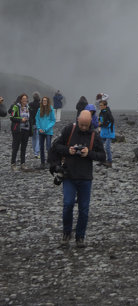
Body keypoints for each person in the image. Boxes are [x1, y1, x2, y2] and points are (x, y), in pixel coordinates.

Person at [54, 109, 105, 247]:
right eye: (81, 124)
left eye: (86, 125)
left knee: (83, 209)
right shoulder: (69, 130)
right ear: (78, 120)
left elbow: (102, 156)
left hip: (85, 177)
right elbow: (56, 146)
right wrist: (68, 150)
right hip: (69, 175)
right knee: (68, 205)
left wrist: (89, 153)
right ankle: (66, 233)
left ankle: (80, 237)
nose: (83, 127)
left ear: (90, 123)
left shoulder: (94, 135)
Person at [9, 93, 31, 170]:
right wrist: (21, 120)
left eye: (26, 99)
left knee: (24, 147)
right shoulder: (15, 107)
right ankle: (13, 164)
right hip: (17, 130)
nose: (25, 100)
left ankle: (23, 164)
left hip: (26, 130)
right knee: (16, 147)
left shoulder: (28, 107)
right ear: (20, 99)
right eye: (23, 99)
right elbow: (11, 117)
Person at [35, 95, 56, 170]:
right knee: (41, 147)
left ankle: (49, 162)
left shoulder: (51, 109)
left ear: (47, 102)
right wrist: (39, 128)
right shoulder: (39, 109)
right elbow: (37, 119)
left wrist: (46, 129)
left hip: (48, 132)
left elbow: (53, 120)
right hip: (41, 131)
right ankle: (42, 163)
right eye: (43, 100)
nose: (44, 102)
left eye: (45, 101)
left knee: (48, 147)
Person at [98, 99, 115, 167]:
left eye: (101, 105)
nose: (100, 106)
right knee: (100, 147)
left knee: (107, 147)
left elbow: (111, 121)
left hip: (109, 132)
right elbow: (100, 121)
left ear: (105, 106)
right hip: (103, 132)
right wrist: (99, 125)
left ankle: (109, 162)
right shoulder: (101, 112)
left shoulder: (108, 112)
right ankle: (102, 160)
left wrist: (101, 124)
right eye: (99, 105)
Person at [29, 91, 41, 157]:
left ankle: (34, 151)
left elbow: (29, 114)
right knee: (38, 138)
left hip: (32, 123)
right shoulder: (40, 105)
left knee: (33, 138)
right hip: (38, 123)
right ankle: (36, 152)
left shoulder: (30, 104)